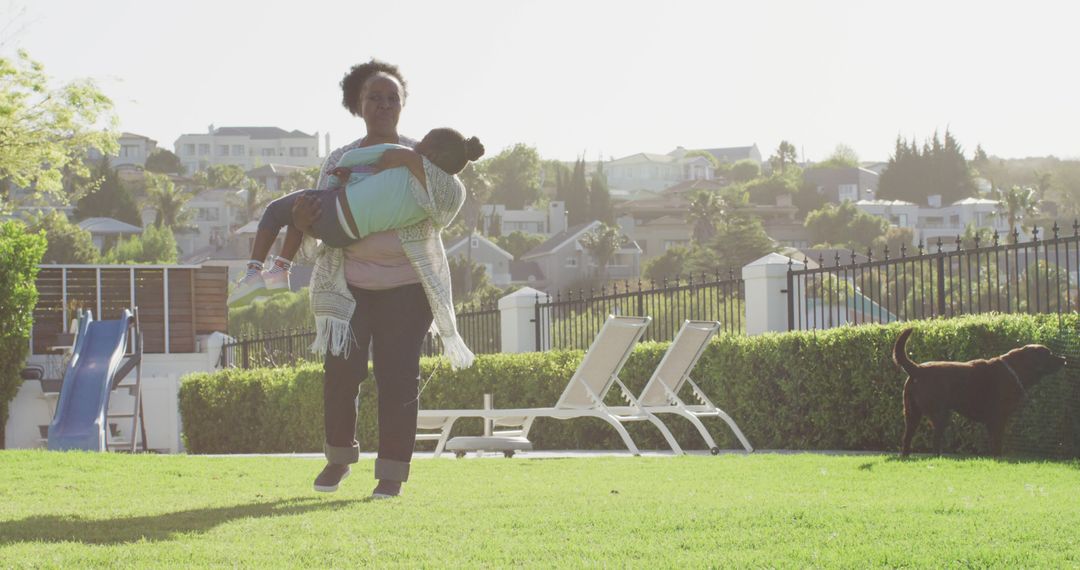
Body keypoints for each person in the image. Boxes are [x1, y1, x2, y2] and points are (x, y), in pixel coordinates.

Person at [292, 59, 471, 499]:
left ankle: (391, 474)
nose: (384, 104)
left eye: (393, 97)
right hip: (347, 287)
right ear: (358, 104)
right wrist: (300, 221)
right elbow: (319, 216)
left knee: (398, 379)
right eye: (375, 97)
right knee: (340, 375)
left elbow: (446, 206)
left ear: (403, 105)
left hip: (408, 289)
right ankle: (338, 461)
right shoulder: (341, 159)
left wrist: (410, 161)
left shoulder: (422, 155)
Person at [226, 129, 485, 306]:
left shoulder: (401, 155)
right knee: (299, 213)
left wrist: (336, 179)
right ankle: (280, 270)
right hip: (347, 234)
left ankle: (254, 274)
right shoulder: (436, 197)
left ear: (432, 152)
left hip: (335, 212)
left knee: (276, 211)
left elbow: (355, 159)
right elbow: (377, 196)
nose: (416, 144)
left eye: (423, 141)